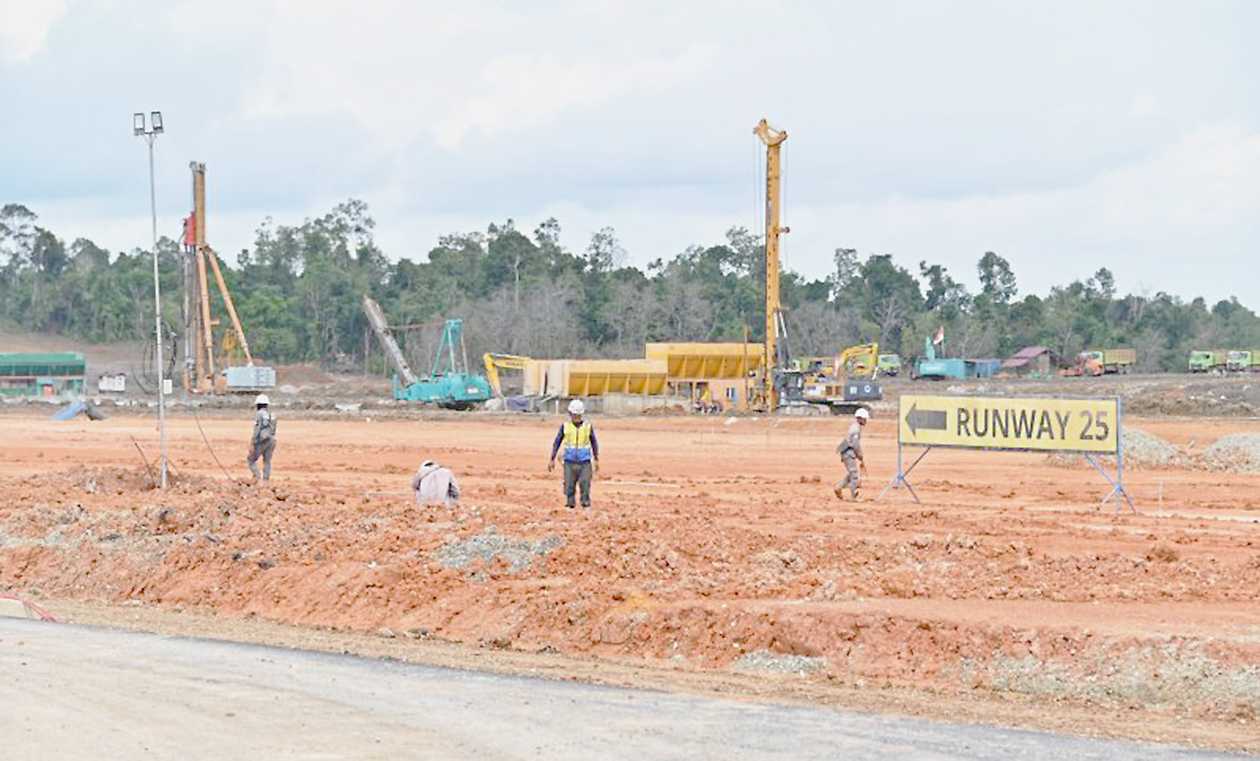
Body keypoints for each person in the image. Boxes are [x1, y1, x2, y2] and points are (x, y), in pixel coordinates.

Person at [548, 399, 600, 509]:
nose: (575, 417)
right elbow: (557, 442)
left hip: (585, 461)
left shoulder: (587, 426)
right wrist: (552, 458)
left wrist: (596, 459)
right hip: (569, 461)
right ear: (570, 414)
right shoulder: (565, 426)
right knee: (569, 485)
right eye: (574, 415)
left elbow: (594, 442)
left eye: (577, 415)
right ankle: (570, 505)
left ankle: (585, 504)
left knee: (585, 484)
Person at [834, 407, 869, 500]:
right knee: (854, 475)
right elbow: (855, 444)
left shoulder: (855, 426)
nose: (866, 421)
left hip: (847, 452)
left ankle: (838, 487)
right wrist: (860, 455)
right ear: (860, 418)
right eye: (865, 419)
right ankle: (853, 496)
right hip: (848, 452)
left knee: (851, 473)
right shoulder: (856, 429)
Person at [246, 394, 277, 482]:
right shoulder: (272, 414)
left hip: (261, 441)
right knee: (267, 461)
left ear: (258, 405)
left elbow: (257, 429)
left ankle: (257, 476)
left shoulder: (259, 414)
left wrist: (253, 443)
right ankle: (266, 480)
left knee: (250, 460)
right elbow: (274, 429)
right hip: (272, 440)